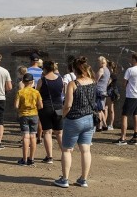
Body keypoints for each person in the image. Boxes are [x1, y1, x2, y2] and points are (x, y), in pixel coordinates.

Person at [54, 56, 95, 188]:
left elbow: (68, 105)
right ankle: (83, 179)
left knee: (67, 150)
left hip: (74, 119)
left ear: (74, 70)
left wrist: (63, 116)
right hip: (89, 118)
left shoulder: (73, 84)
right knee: (85, 150)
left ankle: (64, 179)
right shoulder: (93, 82)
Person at [113, 52, 137, 146]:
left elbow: (124, 83)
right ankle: (135, 136)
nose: (130, 60)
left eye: (131, 59)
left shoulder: (130, 70)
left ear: (134, 59)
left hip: (131, 95)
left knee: (124, 116)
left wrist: (127, 86)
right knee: (136, 115)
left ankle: (123, 138)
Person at [36, 60, 64, 164]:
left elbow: (36, 92)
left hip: (46, 107)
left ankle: (49, 157)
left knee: (47, 132)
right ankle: (64, 153)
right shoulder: (61, 79)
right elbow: (61, 92)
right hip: (58, 107)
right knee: (59, 132)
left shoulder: (42, 80)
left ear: (45, 69)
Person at [15, 73, 43, 166]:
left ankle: (24, 159)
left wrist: (21, 108)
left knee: (25, 136)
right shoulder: (36, 92)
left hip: (23, 115)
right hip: (34, 115)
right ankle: (32, 159)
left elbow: (16, 105)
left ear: (23, 82)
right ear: (32, 82)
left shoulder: (20, 92)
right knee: (33, 136)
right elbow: (40, 106)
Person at [95, 56, 110, 131]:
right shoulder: (107, 70)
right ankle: (105, 125)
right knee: (101, 109)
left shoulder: (101, 70)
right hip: (104, 91)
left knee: (98, 109)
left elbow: (95, 80)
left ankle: (100, 126)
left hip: (98, 91)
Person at [106, 60, 120, 130]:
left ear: (110, 67)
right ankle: (105, 124)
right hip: (109, 91)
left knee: (110, 109)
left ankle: (111, 124)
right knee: (106, 108)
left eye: (108, 66)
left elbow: (108, 83)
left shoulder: (112, 75)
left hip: (110, 92)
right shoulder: (111, 74)